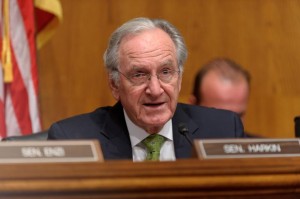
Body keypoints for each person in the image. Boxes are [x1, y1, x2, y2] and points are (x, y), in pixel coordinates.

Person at [48, 18, 246, 161]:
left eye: (166, 72)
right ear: (114, 85)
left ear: (180, 78)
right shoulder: (72, 140)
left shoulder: (224, 130)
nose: (155, 89)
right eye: (139, 75)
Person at [189, 57, 255, 136]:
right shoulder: (173, 146)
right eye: (220, 116)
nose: (230, 127)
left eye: (238, 117)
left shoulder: (263, 147)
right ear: (193, 106)